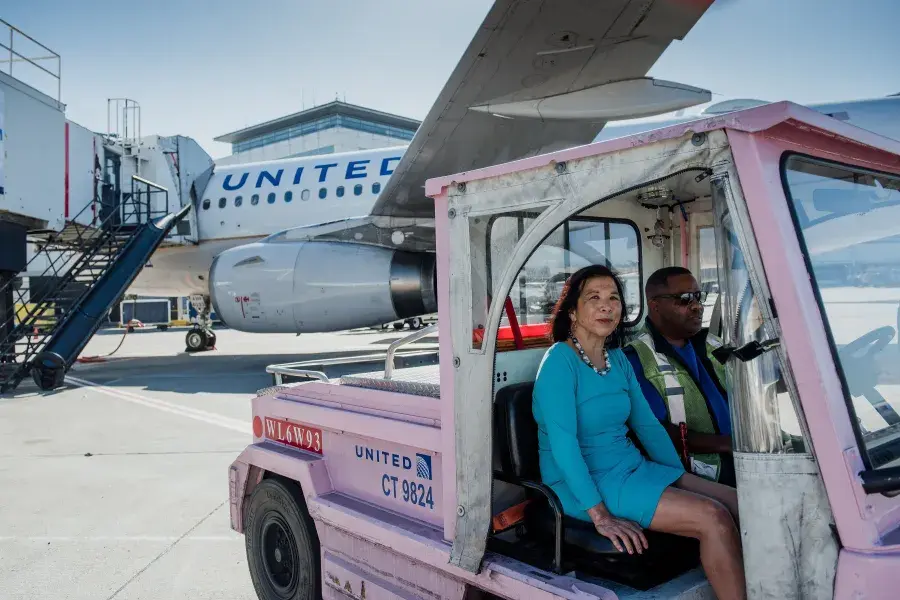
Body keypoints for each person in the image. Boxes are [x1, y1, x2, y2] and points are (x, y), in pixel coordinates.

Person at [532, 265, 745, 600]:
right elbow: (563, 445)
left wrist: (676, 475)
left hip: (629, 467)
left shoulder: (615, 359)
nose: (606, 306)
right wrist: (599, 515)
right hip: (584, 482)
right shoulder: (559, 361)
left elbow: (646, 425)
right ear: (572, 309)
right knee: (713, 517)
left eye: (613, 297)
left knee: (740, 502)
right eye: (594, 298)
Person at [623, 267, 734, 487]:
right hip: (699, 470)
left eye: (698, 296)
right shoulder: (637, 359)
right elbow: (654, 431)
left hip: (744, 454)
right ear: (655, 305)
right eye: (684, 299)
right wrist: (729, 444)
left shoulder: (712, 344)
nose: (696, 306)